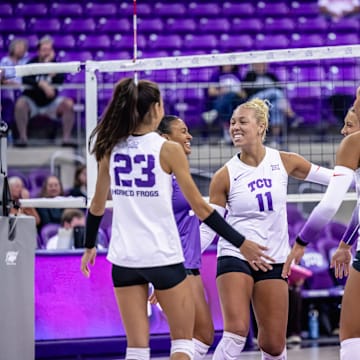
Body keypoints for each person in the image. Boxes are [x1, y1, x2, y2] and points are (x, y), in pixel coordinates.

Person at [80, 77, 274, 360]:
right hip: (163, 258)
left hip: (124, 259)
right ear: (156, 109)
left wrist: (89, 245)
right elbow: (201, 207)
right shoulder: (167, 149)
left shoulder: (110, 146)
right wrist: (240, 241)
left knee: (136, 348)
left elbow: (97, 205)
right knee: (183, 343)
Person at [199, 98, 335, 360]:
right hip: (236, 255)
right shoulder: (224, 175)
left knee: (273, 344)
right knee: (237, 332)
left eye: (242, 121)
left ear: (261, 127)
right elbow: (209, 227)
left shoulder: (285, 161)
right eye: (232, 123)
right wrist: (186, 261)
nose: (235, 127)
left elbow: (334, 179)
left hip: (274, 257)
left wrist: (353, 173)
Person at [282, 103, 360, 360]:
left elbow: (328, 206)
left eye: (349, 124)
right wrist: (345, 245)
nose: (342, 130)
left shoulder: (353, 144)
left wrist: (302, 241)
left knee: (351, 336)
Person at [154, 115, 214, 359]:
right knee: (186, 338)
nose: (189, 136)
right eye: (183, 131)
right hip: (174, 265)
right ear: (166, 139)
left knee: (204, 334)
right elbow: (155, 225)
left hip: (190, 264)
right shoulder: (162, 176)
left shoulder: (180, 175)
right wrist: (157, 276)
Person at [14, 35, 75, 147]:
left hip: (51, 102)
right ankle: (23, 139)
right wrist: (41, 84)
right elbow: (25, 78)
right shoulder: (32, 63)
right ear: (38, 51)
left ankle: (66, 139)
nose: (46, 52)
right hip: (32, 101)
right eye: (44, 50)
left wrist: (49, 67)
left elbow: (60, 80)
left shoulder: (56, 65)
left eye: (49, 50)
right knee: (20, 104)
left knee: (68, 105)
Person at [242, 63, 300, 147]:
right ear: (254, 66)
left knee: (276, 107)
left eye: (262, 65)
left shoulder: (271, 76)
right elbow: (246, 92)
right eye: (258, 65)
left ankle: (275, 139)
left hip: (270, 102)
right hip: (255, 100)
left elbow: (280, 87)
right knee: (277, 93)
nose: (260, 67)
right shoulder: (249, 76)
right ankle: (291, 115)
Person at [202, 64, 247, 143]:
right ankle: (229, 135)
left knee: (231, 96)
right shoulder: (216, 74)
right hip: (220, 100)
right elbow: (211, 92)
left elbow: (243, 94)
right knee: (228, 106)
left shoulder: (237, 75)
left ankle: (215, 112)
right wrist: (222, 91)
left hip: (236, 101)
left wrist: (233, 92)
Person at [0, 38, 29, 125]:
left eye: (23, 48)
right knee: (9, 96)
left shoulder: (26, 62)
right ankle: (7, 128)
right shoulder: (5, 61)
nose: (21, 49)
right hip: (8, 89)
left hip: (23, 91)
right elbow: (1, 77)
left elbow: (29, 79)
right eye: (19, 47)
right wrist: (11, 83)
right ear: (13, 48)